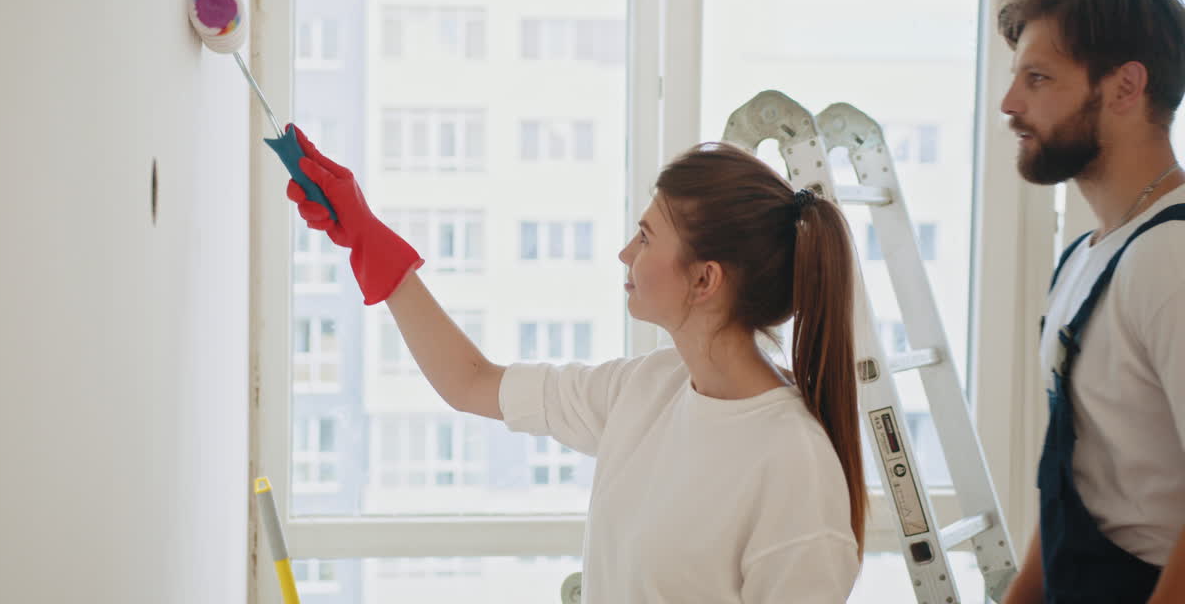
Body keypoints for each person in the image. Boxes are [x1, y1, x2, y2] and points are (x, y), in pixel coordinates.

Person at [285, 133, 866, 602]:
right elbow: (471, 383)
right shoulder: (648, 388)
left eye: (645, 237)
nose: (625, 253)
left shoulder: (792, 465)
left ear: (703, 279)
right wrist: (367, 238)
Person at [997, 0, 1185, 604]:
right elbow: (1077, 481)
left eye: (1038, 78)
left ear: (1125, 86)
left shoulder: (1171, 257)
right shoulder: (1085, 256)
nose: (1009, 103)